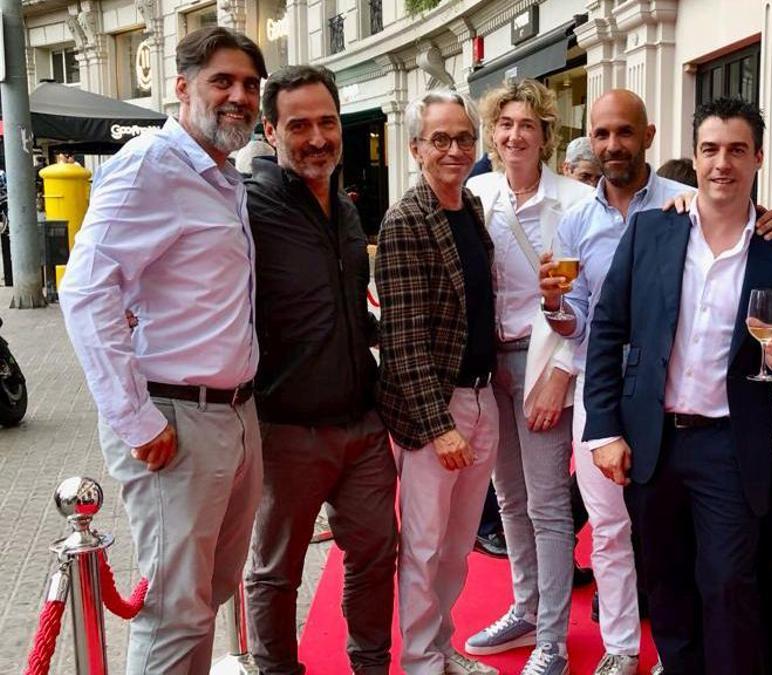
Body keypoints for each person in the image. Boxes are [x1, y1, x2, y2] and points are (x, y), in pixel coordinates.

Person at [541, 89, 772, 675]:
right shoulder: (654, 230)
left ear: (758, 157)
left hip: (730, 444)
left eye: (736, 149)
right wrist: (603, 426)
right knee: (668, 582)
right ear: (695, 155)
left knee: (729, 582)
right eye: (709, 149)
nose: (721, 162)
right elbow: (607, 328)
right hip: (653, 439)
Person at [59, 26, 266, 673]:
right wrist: (135, 418)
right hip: (174, 420)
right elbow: (87, 289)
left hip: (233, 415)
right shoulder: (152, 162)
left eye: (250, 85)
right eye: (222, 82)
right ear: (180, 88)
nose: (239, 96)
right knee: (176, 611)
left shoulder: (225, 175)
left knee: (206, 594)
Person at [242, 65, 398, 675]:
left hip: (361, 425)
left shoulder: (347, 208)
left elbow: (350, 308)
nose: (316, 137)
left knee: (374, 557)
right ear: (271, 130)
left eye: (327, 122)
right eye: (299, 124)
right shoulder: (248, 206)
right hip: (285, 430)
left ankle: (371, 668)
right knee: (275, 571)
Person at [462, 79, 592, 675]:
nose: (515, 136)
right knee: (509, 499)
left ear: (546, 134)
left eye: (528, 126)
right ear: (493, 132)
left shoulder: (575, 200)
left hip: (545, 362)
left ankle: (553, 642)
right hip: (491, 367)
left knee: (547, 506)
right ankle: (524, 608)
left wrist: (561, 376)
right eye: (505, 125)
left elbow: (590, 298)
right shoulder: (475, 192)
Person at [375, 88, 499, 675]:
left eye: (464, 138)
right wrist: (439, 427)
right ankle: (421, 660)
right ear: (416, 147)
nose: (454, 149)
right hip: (437, 408)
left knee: (457, 545)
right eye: (441, 139)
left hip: (481, 395)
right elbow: (402, 342)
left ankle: (442, 645)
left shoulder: (470, 207)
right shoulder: (404, 221)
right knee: (424, 546)